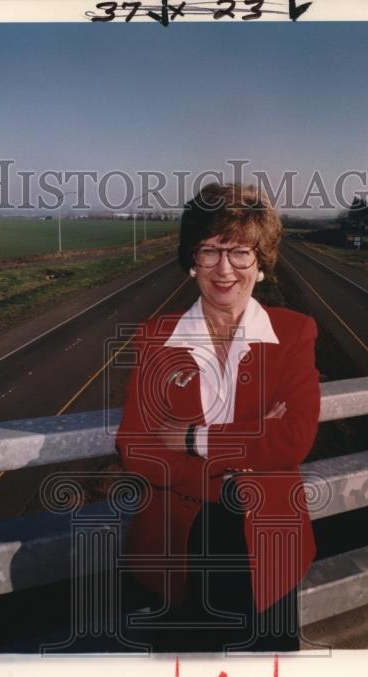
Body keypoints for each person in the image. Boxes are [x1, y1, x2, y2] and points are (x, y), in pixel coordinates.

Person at [116, 182, 321, 652]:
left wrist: (192, 438)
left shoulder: (292, 333)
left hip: (267, 541)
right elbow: (136, 448)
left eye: (241, 253)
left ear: (262, 265)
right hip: (180, 544)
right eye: (209, 251)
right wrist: (252, 441)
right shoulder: (155, 337)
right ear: (192, 261)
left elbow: (293, 440)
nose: (224, 269)